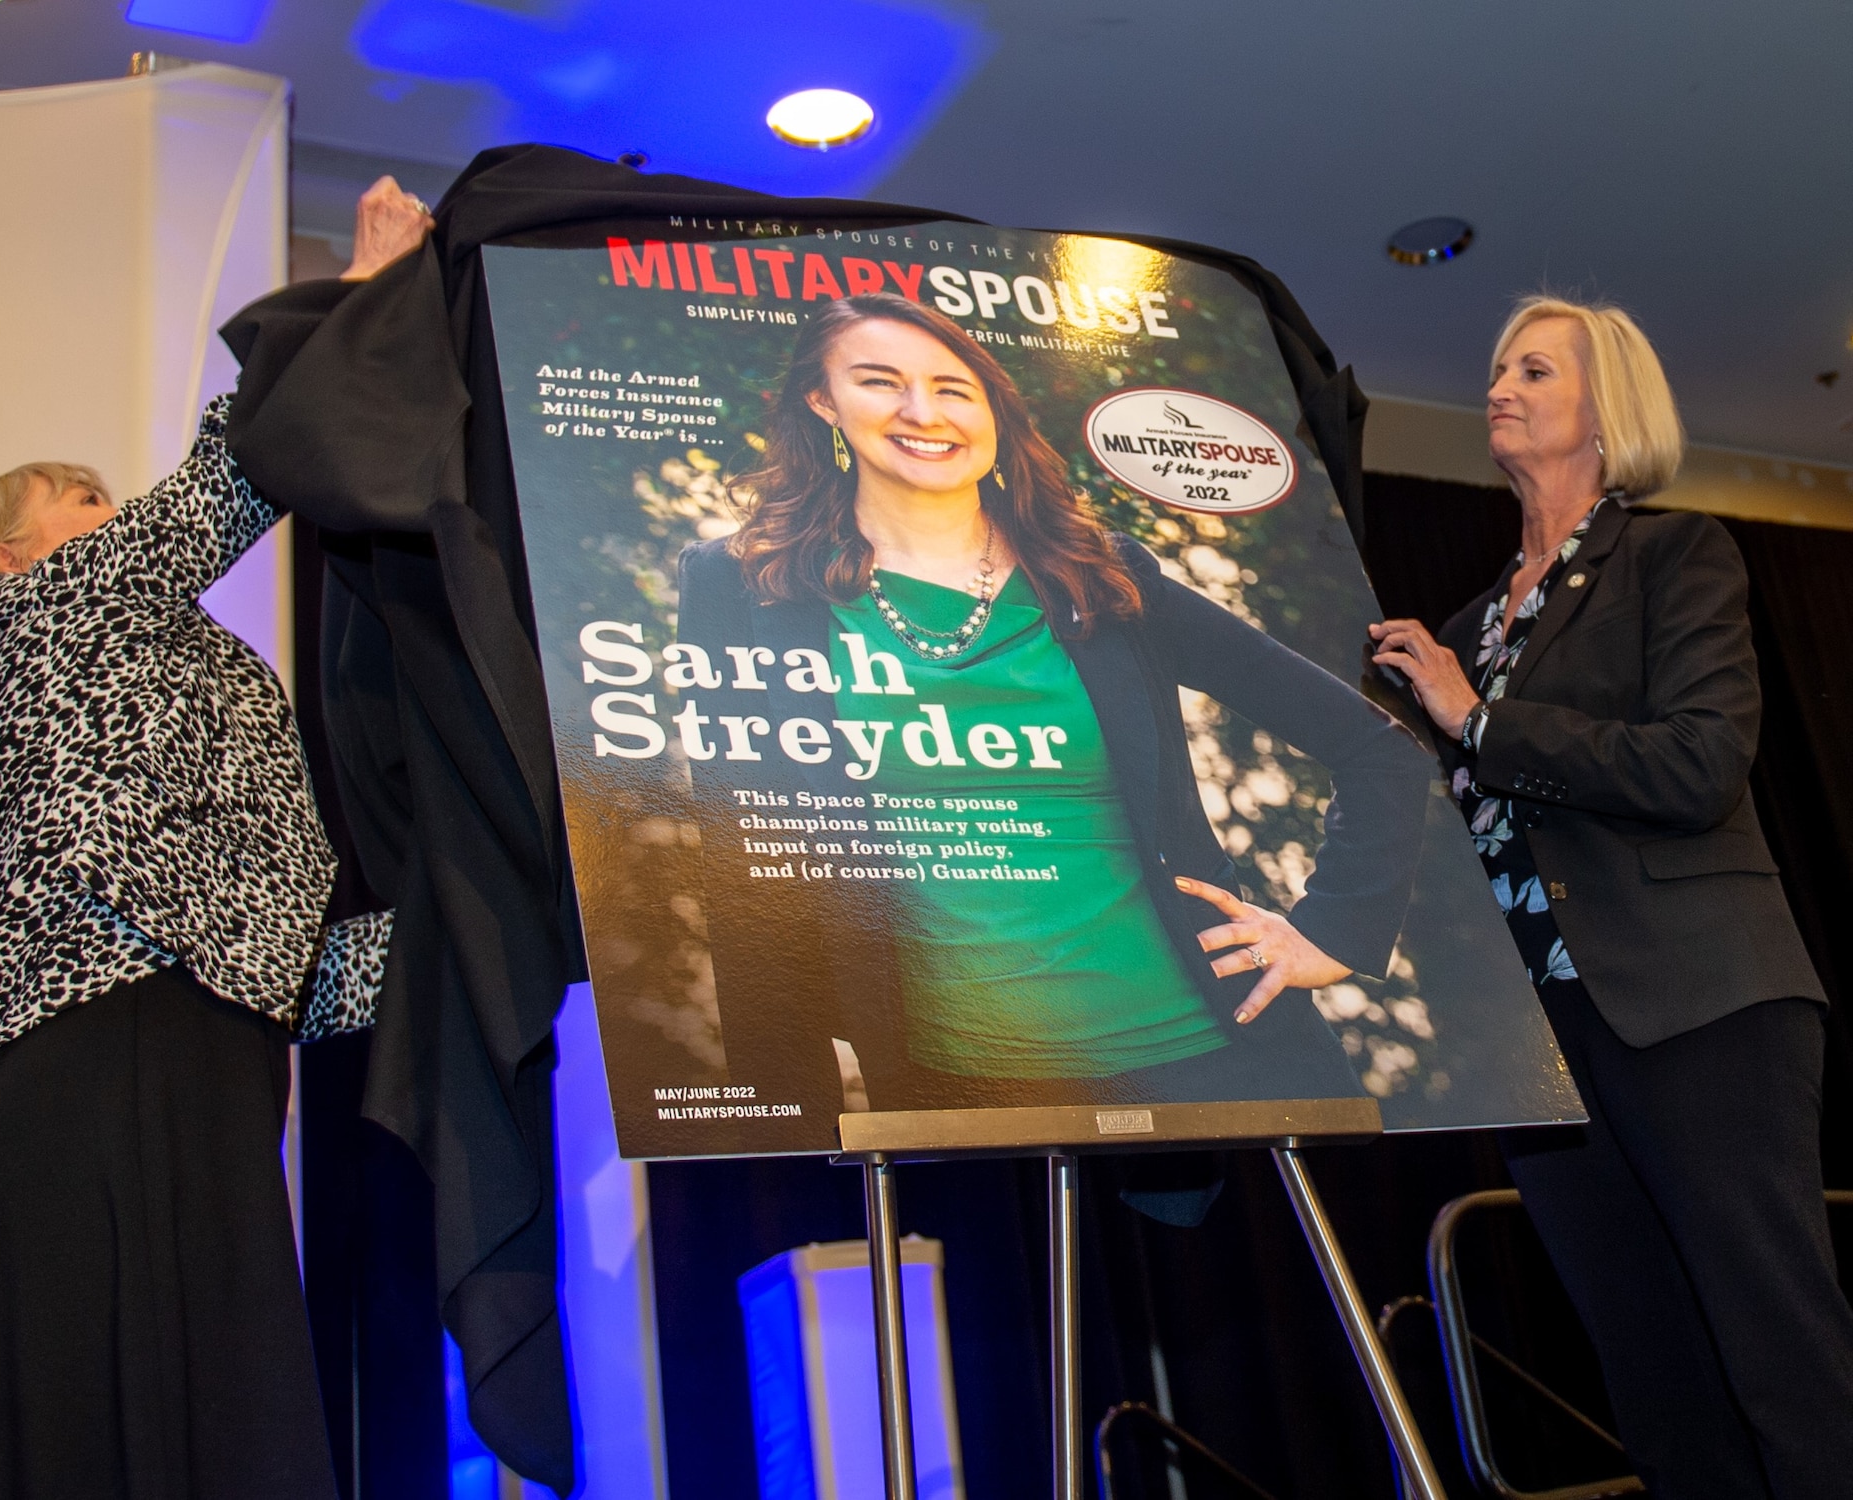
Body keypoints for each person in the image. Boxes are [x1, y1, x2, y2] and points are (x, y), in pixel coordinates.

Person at [0, 177, 433, 1499]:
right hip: (75, 1096)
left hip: (204, 1100)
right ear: (1, 560)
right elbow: (218, 494)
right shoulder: (5, 635)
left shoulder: (188, 686)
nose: (106, 510)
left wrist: (497, 922)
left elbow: (289, 974)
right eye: (73, 501)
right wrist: (359, 307)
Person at [675, 292, 1429, 1123]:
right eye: (880, 382)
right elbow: (741, 845)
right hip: (955, 1087)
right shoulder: (741, 585)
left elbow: (1380, 750)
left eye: (955, 387)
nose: (923, 411)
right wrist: (782, 1102)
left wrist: (1333, 934)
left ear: (993, 407)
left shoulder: (1104, 575)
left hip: (1221, 1057)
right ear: (822, 401)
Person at [1370, 295, 1853, 1499]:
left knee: (1774, 1345)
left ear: (1605, 409)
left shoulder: (1672, 556)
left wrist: (1474, 722)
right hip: (1543, 1047)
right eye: (1492, 367)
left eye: (1531, 367)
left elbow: (1697, 765)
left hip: (1698, 1007)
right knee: (1650, 1376)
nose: (1497, 385)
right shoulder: (1471, 626)